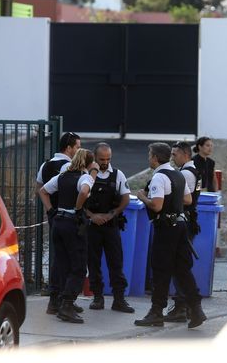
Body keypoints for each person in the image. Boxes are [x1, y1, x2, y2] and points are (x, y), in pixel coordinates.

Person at [135, 142, 206, 329]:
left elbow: (157, 205)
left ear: (156, 157)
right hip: (181, 225)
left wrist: (143, 197)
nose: (149, 158)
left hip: (166, 228)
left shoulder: (160, 177)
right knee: (182, 269)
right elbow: (188, 199)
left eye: (150, 155)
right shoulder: (177, 174)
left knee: (160, 270)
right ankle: (196, 309)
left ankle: (156, 312)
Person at [39, 149, 94, 324]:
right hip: (72, 223)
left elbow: (43, 191)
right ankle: (67, 305)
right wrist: (78, 209)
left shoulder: (62, 176)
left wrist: (50, 210)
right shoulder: (85, 178)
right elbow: (84, 192)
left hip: (58, 222)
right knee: (78, 266)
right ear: (89, 164)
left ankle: (54, 302)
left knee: (60, 263)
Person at [84, 143, 134, 314]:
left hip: (111, 226)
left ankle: (119, 299)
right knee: (93, 262)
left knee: (116, 263)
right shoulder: (87, 175)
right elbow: (79, 200)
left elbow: (125, 198)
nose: (105, 162)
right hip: (92, 226)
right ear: (95, 157)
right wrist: (92, 216)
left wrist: (112, 214)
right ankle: (98, 297)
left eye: (108, 159)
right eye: (101, 159)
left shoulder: (118, 174)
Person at [35, 132, 81, 315]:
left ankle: (59, 299)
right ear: (68, 148)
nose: (79, 150)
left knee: (59, 257)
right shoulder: (70, 167)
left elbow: (39, 188)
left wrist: (49, 209)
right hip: (68, 217)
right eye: (77, 147)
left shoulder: (45, 165)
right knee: (70, 260)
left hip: (55, 216)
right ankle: (62, 299)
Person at [165, 141, 202, 323]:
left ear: (185, 155)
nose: (173, 158)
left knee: (179, 265)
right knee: (181, 265)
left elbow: (184, 199)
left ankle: (181, 306)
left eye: (175, 154)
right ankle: (185, 306)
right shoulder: (191, 171)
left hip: (184, 222)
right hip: (188, 221)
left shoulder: (186, 173)